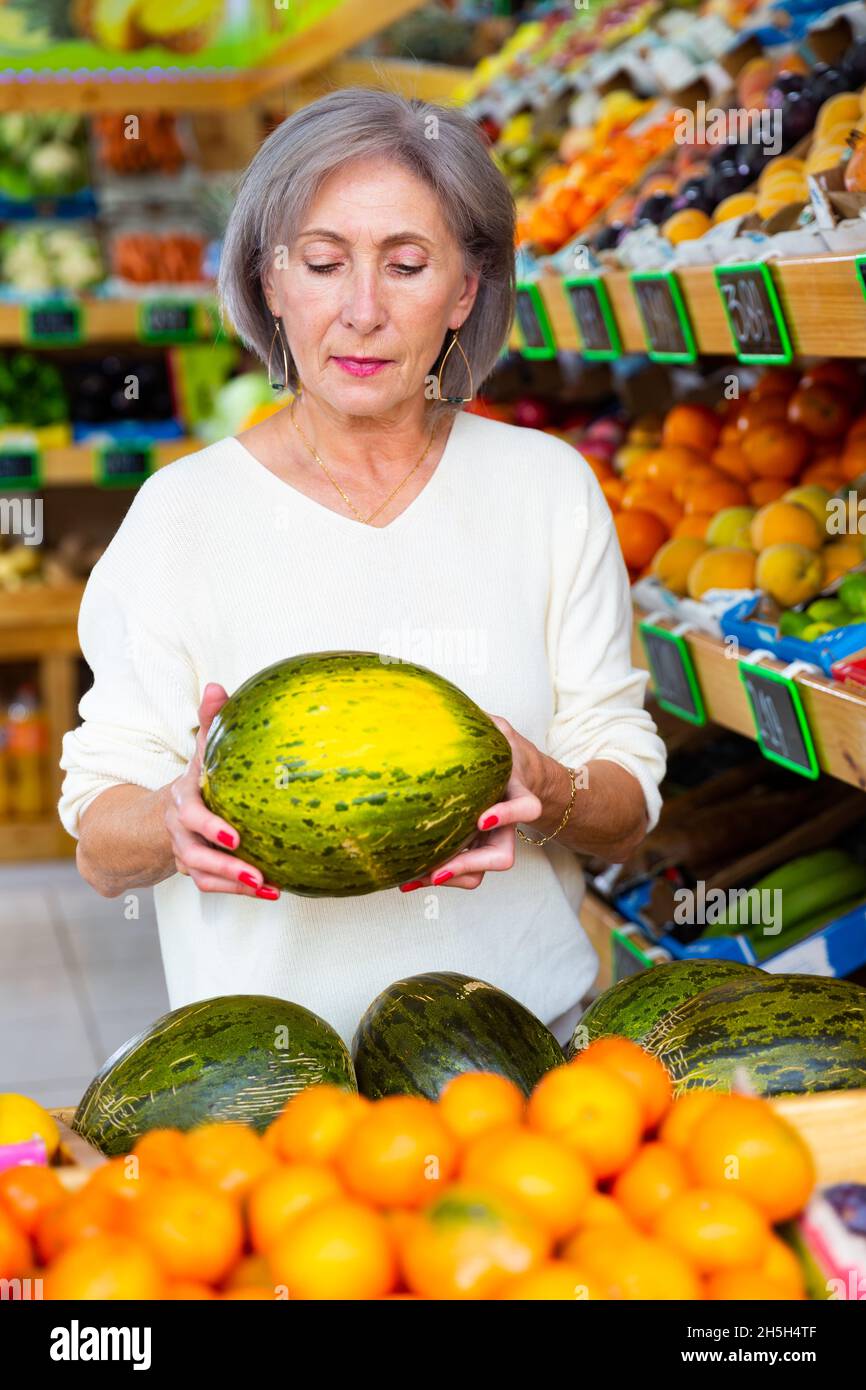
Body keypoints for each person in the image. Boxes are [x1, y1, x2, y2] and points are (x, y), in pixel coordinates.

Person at [59, 88, 665, 1047]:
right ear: (269, 282)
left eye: (408, 265)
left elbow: (625, 809)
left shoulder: (548, 490)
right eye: (324, 262)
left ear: (466, 290)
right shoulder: (181, 517)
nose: (363, 310)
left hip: (516, 1065)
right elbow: (101, 843)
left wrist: (549, 789)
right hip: (271, 1088)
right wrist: (175, 819)